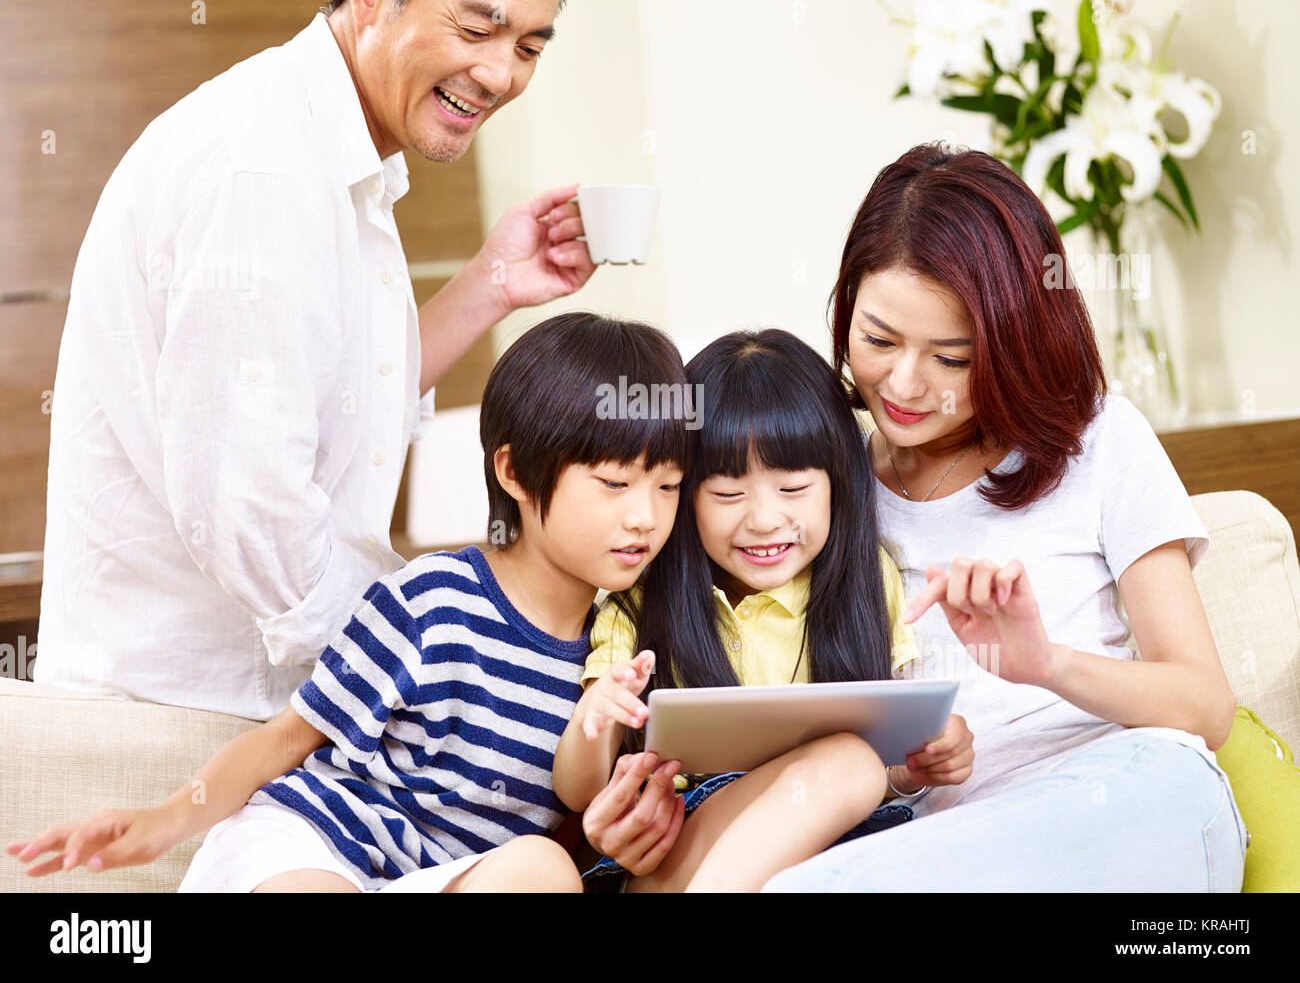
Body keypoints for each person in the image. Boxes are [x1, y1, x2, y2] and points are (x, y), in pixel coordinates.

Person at [36, 0, 598, 721]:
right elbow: (255, 513)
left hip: (247, 709)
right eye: (479, 28)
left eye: (530, 48)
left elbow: (350, 396)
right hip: (181, 717)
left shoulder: (334, 154)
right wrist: (437, 672)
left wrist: (492, 283)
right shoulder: (263, 171)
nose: (500, 73)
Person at [9, 313, 690, 892]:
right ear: (513, 471)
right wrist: (163, 819)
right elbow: (284, 739)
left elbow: (559, 833)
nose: (644, 517)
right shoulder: (432, 599)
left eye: (667, 487)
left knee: (542, 869)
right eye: (614, 482)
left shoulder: (618, 657)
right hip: (309, 851)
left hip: (426, 880)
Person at [765, 144, 1246, 893]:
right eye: (878, 339)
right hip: (948, 841)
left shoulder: (1099, 440)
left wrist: (1044, 662)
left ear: (1015, 342)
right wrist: (903, 771)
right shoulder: (821, 489)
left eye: (952, 358)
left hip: (1133, 793)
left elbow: (1206, 706)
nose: (904, 382)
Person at [553, 329, 975, 892]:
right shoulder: (639, 608)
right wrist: (595, 720)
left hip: (831, 852)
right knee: (849, 761)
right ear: (684, 496)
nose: (764, 520)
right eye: (728, 496)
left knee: (860, 769)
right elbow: (579, 793)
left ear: (837, 485)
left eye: (795, 488)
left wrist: (922, 763)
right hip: (679, 850)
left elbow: (889, 772)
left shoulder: (868, 581)